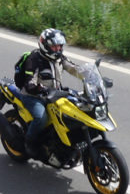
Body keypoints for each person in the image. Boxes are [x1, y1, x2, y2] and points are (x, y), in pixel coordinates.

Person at [14, 28, 81, 160]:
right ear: (45, 46)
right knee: (41, 118)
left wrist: (90, 75)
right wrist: (41, 89)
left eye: (59, 46)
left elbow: (74, 69)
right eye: (54, 46)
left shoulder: (59, 58)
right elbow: (30, 84)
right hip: (33, 96)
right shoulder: (34, 59)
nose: (57, 49)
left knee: (74, 111)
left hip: (54, 94)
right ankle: (29, 142)